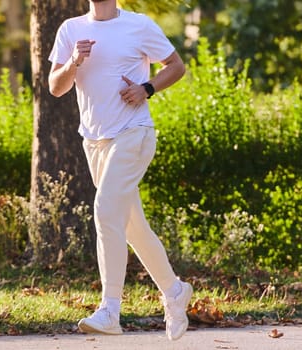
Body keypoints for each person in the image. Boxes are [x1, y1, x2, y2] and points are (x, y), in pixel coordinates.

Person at [47, 0, 193, 341]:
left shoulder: (139, 25)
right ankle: (174, 292)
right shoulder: (71, 29)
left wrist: (147, 88)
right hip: (95, 142)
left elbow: (176, 65)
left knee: (105, 210)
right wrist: (73, 62)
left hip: (133, 133)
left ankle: (110, 309)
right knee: (132, 226)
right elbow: (56, 87)